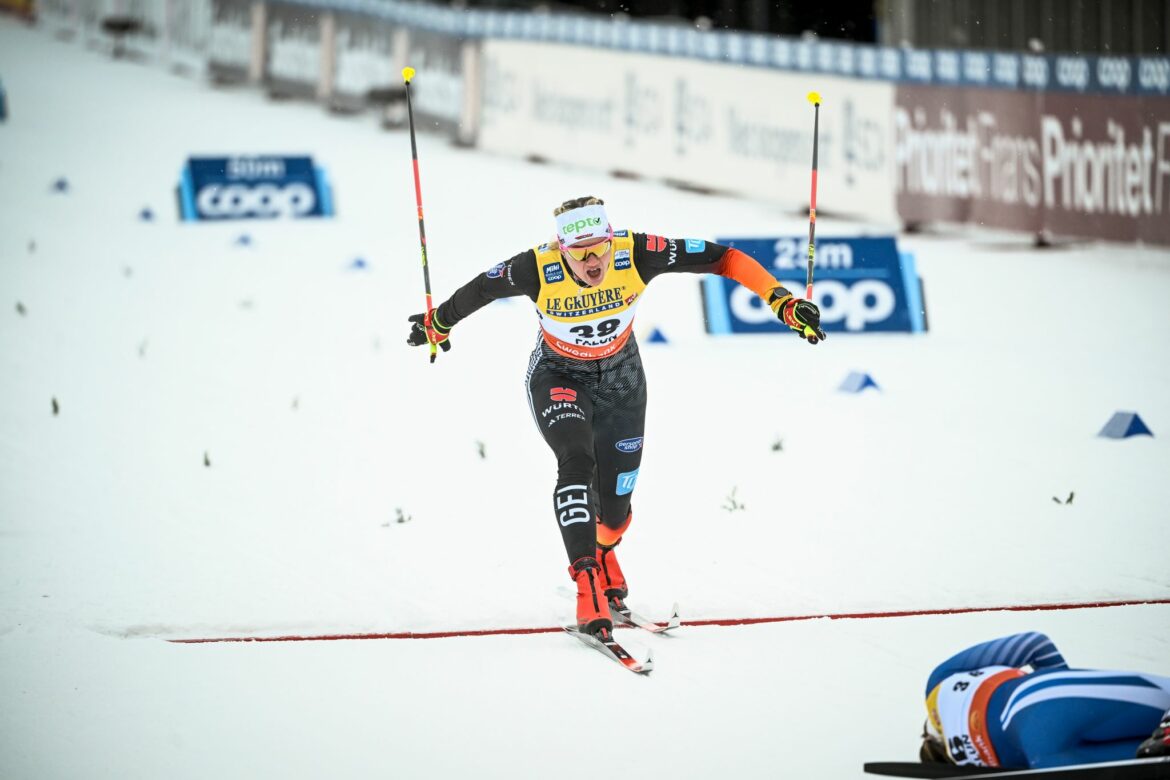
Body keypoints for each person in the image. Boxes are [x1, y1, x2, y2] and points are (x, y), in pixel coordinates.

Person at [407, 196, 825, 638]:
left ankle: (606, 551)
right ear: (560, 248)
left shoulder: (638, 252)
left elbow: (725, 259)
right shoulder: (535, 267)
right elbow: (481, 289)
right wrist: (440, 322)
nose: (593, 260)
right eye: (579, 251)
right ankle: (586, 582)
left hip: (622, 380)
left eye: (600, 247)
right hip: (559, 374)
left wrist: (781, 301)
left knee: (616, 511)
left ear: (612, 238)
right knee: (575, 460)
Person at [919, 631, 1170, 769]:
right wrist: (1064, 684)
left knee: (1152, 758)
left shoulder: (977, 767)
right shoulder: (937, 685)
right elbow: (1035, 644)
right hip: (1040, 697)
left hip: (1044, 761)